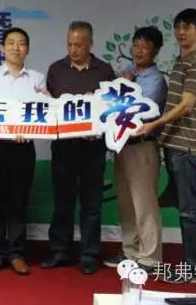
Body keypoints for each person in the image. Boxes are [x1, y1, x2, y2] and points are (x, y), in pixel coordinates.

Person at [137, 8, 196, 283]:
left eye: (188, 27)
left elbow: (187, 105)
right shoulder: (181, 61)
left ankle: (194, 270)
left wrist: (154, 125)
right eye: (178, 27)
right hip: (172, 144)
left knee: (189, 210)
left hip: (185, 147)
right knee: (181, 204)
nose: (181, 32)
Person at [41, 21, 115, 275]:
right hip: (64, 147)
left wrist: (99, 130)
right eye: (70, 44)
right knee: (63, 202)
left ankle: (89, 254)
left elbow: (112, 110)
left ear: (90, 44)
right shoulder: (56, 69)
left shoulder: (104, 71)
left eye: (79, 45)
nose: (73, 50)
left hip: (93, 149)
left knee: (91, 204)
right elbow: (50, 108)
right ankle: (59, 251)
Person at [0, 27, 45, 276]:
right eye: (11, 43)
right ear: (2, 48)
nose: (16, 48)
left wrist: (45, 105)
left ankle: (16, 253)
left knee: (19, 200)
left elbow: (43, 113)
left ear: (28, 49)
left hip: (23, 148)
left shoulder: (37, 79)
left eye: (21, 43)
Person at [103, 26, 167, 273]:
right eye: (136, 45)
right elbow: (107, 106)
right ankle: (130, 251)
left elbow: (138, 111)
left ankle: (150, 258)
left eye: (145, 47)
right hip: (122, 146)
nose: (139, 51)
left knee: (144, 204)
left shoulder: (155, 80)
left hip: (142, 147)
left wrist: (125, 87)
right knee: (127, 203)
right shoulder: (128, 72)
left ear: (156, 51)